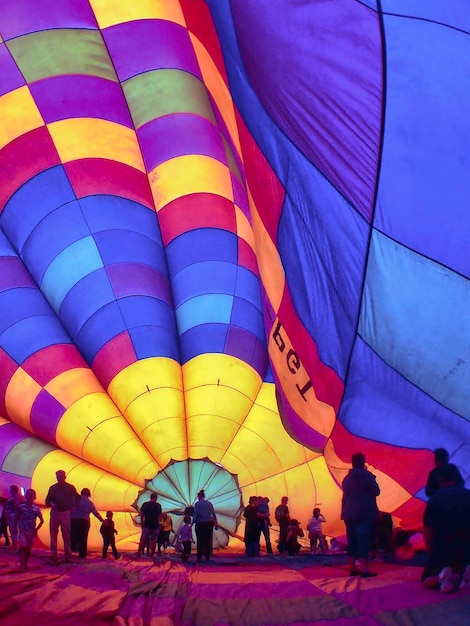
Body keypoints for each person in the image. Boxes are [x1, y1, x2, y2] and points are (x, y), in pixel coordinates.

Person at [421, 463, 470, 593]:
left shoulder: (434, 500)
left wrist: (433, 555)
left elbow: (428, 535)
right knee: (462, 565)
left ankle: (444, 578)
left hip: (443, 552)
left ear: (441, 480)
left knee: (427, 580)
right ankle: (462, 575)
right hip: (466, 550)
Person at [341, 452, 380, 577]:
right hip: (364, 512)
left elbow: (345, 495)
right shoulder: (368, 476)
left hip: (349, 513)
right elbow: (377, 491)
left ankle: (352, 568)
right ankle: (364, 569)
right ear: (363, 462)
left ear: (352, 463)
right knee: (363, 539)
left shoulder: (346, 479)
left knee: (351, 540)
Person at [45, 470, 78, 561]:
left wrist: (75, 507)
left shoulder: (70, 487)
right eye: (58, 477)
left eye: (61, 477)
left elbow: (77, 497)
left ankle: (67, 553)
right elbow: (47, 501)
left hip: (65, 512)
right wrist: (51, 504)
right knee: (53, 533)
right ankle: (53, 553)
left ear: (65, 477)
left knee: (66, 534)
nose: (59, 478)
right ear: (56, 477)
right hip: (55, 512)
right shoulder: (53, 488)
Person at [14, 488, 44, 570]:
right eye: (28, 494)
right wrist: (15, 528)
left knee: (27, 549)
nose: (29, 496)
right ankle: (22, 565)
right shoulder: (21, 507)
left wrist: (36, 529)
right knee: (23, 547)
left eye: (31, 495)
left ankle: (25, 563)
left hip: (31, 531)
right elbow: (16, 518)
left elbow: (42, 521)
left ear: (34, 497)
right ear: (25, 496)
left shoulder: (36, 509)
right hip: (22, 529)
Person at [70, 488, 104, 559]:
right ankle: (82, 554)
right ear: (88, 494)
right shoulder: (89, 503)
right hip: (84, 521)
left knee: (73, 536)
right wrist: (102, 520)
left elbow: (68, 508)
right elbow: (95, 513)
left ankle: (71, 550)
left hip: (73, 520)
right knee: (83, 538)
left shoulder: (74, 500)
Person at [193, 489, 218, 562]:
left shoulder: (197, 504)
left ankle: (199, 557)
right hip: (209, 524)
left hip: (200, 524)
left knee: (200, 541)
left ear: (199, 497)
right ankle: (207, 557)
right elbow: (213, 514)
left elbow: (195, 514)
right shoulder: (209, 503)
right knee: (207, 541)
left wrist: (192, 522)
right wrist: (216, 523)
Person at [137, 493, 162, 558]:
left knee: (143, 539)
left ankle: (139, 553)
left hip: (147, 524)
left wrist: (142, 523)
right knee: (153, 540)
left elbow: (142, 514)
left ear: (150, 497)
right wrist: (159, 524)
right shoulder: (158, 505)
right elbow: (159, 517)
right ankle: (152, 555)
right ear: (156, 498)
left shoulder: (145, 504)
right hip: (155, 525)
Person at [4, 485, 25, 550]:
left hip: (14, 516)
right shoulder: (13, 497)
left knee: (14, 530)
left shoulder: (17, 497)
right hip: (10, 516)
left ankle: (15, 545)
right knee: (12, 530)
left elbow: (18, 506)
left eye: (11, 489)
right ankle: (14, 545)